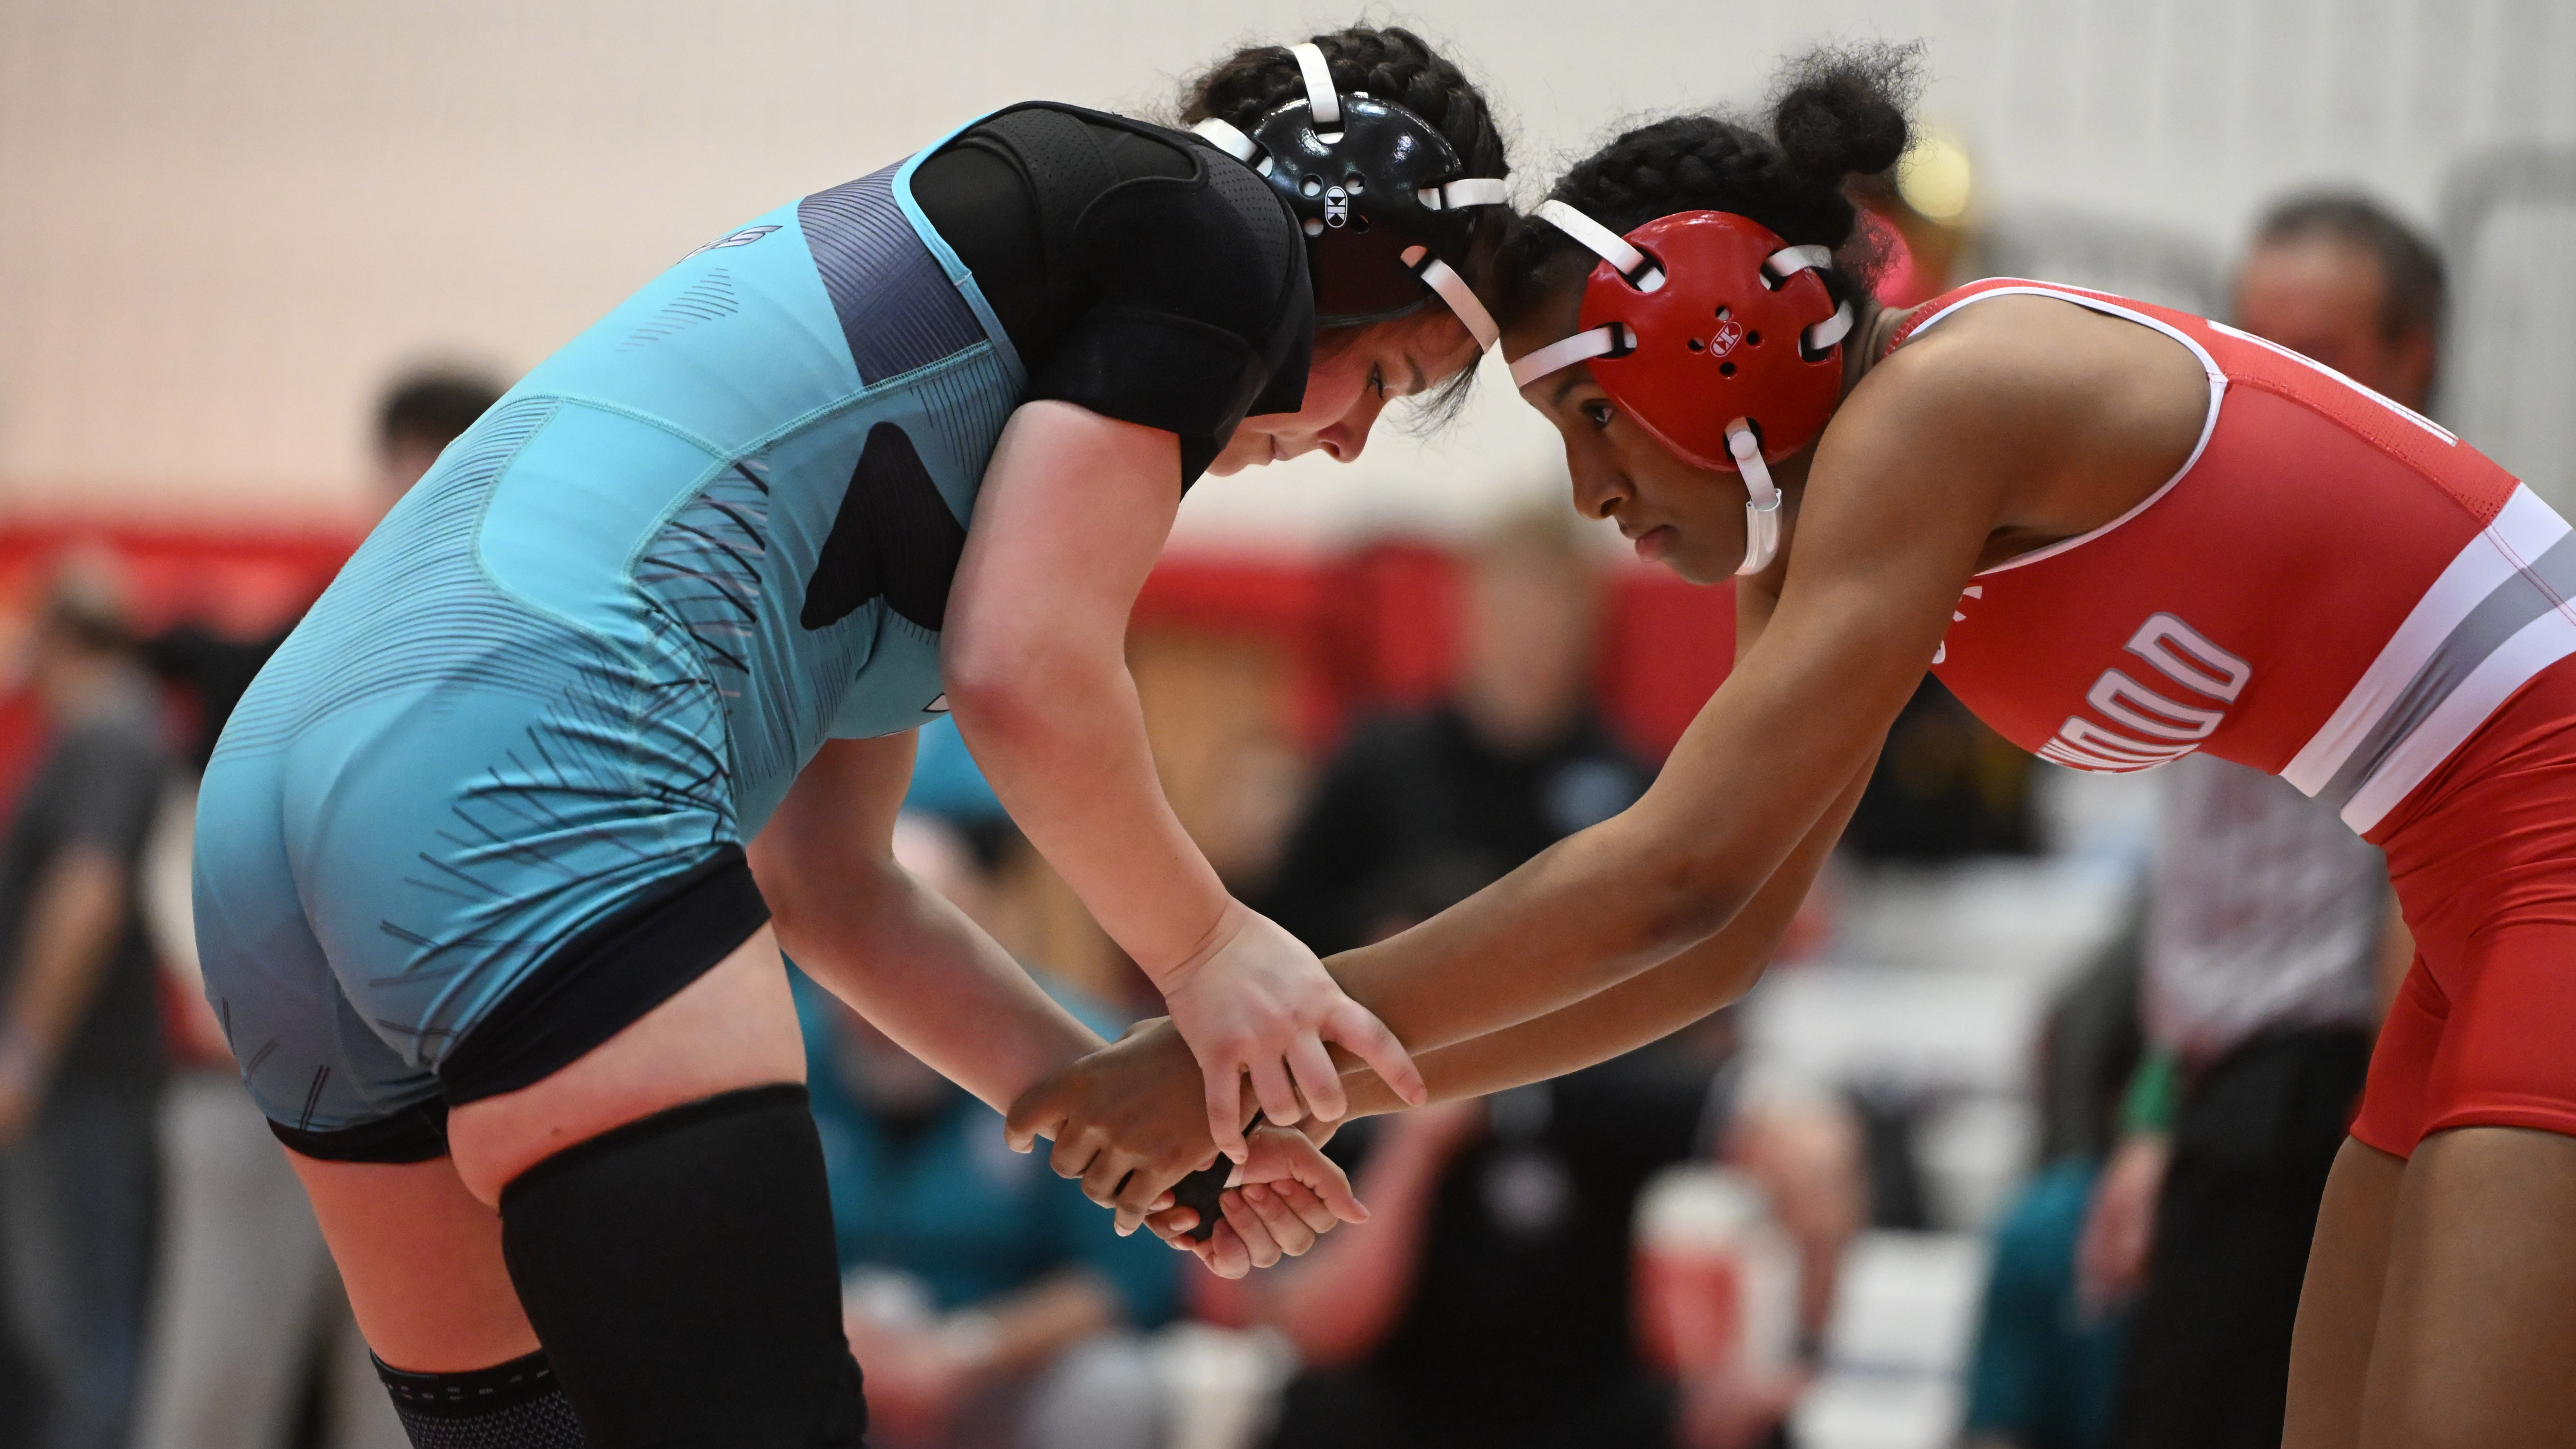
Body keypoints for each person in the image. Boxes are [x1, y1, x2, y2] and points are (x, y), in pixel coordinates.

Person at [1015, 40, 2576, 1448]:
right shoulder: (1824, 529)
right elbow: (1719, 952)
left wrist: (1219, 1064)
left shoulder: (1939, 408)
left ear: (1705, 340)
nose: (1585, 499)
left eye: (1590, 423)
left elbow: (1672, 882)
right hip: (2467, 886)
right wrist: (1286, 1097)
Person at [192, 26, 1509, 1448]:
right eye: (1387, 373)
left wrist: (1109, 1114)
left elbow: (829, 886)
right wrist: (1208, 951)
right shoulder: (1219, 227)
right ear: (1351, 250)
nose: (1353, 443)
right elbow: (1027, 675)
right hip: (535, 752)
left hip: (281, 808)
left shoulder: (978, 351)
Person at [2073, 193, 2443, 1449]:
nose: (2282, 380)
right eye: (2257, 340)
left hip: (2328, 1095)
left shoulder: (2435, 577)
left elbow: (2432, 909)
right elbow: (2198, 897)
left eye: (2323, 351)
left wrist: (2405, 1170)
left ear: (2413, 360)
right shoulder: (2198, 532)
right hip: (2215, 1090)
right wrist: (2152, 1124)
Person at [133, 370, 505, 1449]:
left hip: (429, 1080)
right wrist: (222, 997)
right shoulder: (310, 635)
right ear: (389, 469)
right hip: (264, 1075)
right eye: (425, 459)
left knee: (406, 1396)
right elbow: (186, 825)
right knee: (220, 1373)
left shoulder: (505, 643)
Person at [807, 812, 1179, 1449]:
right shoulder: (773, 1057)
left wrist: (967, 1351)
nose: (886, 980)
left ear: (978, 942)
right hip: (816, 1363)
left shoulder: (1080, 1052)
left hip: (997, 1368)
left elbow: (1126, 1276)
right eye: (860, 948)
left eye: (917, 946)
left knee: (1113, 1388)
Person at [1259, 508, 1654, 957]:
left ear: (1591, 622)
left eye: (1550, 612)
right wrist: (1372, 945)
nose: (1529, 638)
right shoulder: (1381, 760)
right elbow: (1287, 918)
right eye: (1511, 613)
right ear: (1465, 610)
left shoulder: (1633, 789)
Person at [0, 564, 176, 1449]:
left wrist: (24, 1053)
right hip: (87, 1083)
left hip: (81, 1088)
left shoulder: (105, 737)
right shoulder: (122, 731)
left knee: (78, 1335)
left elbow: (88, 891)